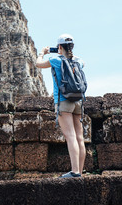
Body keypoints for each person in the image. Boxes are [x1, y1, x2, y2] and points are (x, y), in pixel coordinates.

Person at [35, 34, 85, 178]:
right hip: (78, 101)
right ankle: (79, 172)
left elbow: (39, 64)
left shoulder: (56, 60)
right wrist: (69, 53)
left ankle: (74, 171)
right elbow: (82, 63)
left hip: (63, 100)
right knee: (79, 138)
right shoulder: (78, 61)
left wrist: (42, 53)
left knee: (70, 136)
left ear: (59, 47)